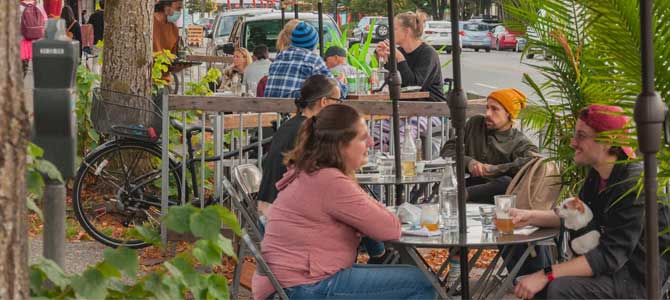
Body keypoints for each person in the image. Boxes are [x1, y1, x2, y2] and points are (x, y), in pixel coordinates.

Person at [252, 104, 436, 300]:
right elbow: (389, 228)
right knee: (421, 283)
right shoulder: (330, 181)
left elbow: (373, 224)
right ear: (341, 144)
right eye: (363, 137)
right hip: (302, 286)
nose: (372, 143)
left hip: (287, 282)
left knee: (405, 275)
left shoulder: (312, 171)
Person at [512, 104, 670, 299]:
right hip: (610, 267)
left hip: (635, 278)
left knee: (558, 288)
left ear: (608, 140)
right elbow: (578, 215)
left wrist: (546, 273)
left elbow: (611, 256)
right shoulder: (597, 176)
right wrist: (528, 217)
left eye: (581, 135)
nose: (573, 143)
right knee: (532, 284)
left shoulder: (633, 184)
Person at [441, 88, 537, 204]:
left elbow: (533, 161)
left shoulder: (519, 141)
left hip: (493, 196)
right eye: (487, 107)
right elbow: (447, 150)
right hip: (465, 182)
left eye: (495, 109)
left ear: (509, 114)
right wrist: (469, 162)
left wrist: (495, 169)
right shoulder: (475, 123)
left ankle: (461, 196)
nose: (488, 114)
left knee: (507, 181)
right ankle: (459, 196)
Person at [374, 11, 445, 102]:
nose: (390, 32)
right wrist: (382, 57)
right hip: (405, 107)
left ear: (406, 31)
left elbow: (413, 85)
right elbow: (389, 81)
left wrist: (400, 58)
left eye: (394, 29)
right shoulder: (399, 51)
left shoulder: (428, 53)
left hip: (431, 108)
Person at [264, 21, 347, 99]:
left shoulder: (279, 57)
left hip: (271, 111)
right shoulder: (313, 60)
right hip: (296, 110)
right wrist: (342, 82)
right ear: (314, 43)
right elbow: (337, 90)